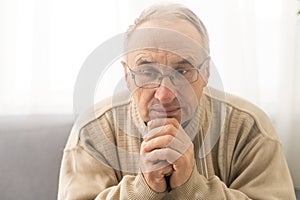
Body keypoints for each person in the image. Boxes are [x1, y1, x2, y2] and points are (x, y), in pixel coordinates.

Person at [58, 3, 296, 199]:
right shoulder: (92, 130)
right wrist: (143, 188)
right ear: (127, 77)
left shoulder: (250, 128)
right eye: (148, 72)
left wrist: (193, 187)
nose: (164, 95)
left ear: (206, 74)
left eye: (182, 71)